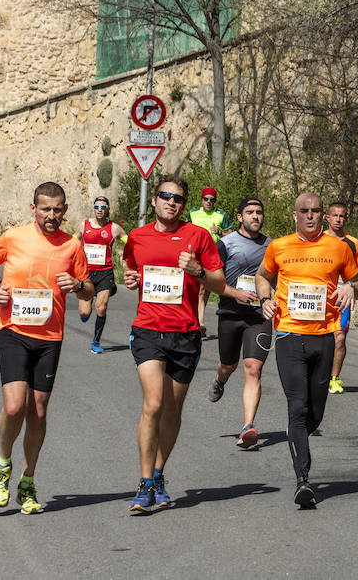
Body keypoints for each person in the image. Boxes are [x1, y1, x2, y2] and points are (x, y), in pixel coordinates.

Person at [0, 182, 93, 514]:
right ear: (34, 209)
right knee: (15, 407)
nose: (52, 215)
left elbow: (87, 291)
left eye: (58, 209)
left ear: (65, 210)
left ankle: (27, 481)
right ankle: (3, 466)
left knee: (38, 411)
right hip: (11, 328)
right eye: (45, 209)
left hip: (49, 336)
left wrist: (76, 284)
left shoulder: (72, 246)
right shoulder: (14, 237)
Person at [123, 176, 226, 513]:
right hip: (148, 330)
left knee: (172, 410)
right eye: (165, 196)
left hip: (185, 333)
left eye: (178, 199)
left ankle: (158, 472)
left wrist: (197, 270)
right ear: (154, 200)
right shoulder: (136, 238)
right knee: (153, 404)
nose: (171, 202)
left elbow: (219, 282)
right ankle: (144, 483)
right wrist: (130, 279)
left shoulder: (198, 236)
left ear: (185, 205)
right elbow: (130, 271)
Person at [255, 192, 358, 508]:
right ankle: (303, 481)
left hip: (324, 337)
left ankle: (299, 432)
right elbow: (263, 276)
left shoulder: (339, 247)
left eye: (317, 211)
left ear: (324, 216)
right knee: (298, 406)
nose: (311, 216)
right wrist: (265, 299)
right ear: (295, 215)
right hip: (289, 335)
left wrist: (348, 286)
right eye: (305, 211)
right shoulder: (279, 247)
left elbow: (356, 281)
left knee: (314, 412)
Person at [206, 197, 273, 449]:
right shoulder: (225, 243)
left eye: (259, 212)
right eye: (250, 212)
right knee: (228, 365)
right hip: (230, 314)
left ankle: (248, 426)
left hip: (259, 315)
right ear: (239, 217)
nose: (255, 216)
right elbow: (213, 281)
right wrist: (236, 294)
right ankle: (220, 380)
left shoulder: (272, 246)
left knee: (253, 369)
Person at [324, 202, 358, 394]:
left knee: (339, 337)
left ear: (346, 218)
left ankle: (334, 378)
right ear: (327, 217)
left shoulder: (352, 243)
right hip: (321, 295)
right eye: (334, 216)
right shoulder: (317, 239)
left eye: (342, 216)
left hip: (343, 295)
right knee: (317, 338)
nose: (338, 220)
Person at [74, 196, 126, 353]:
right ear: (93, 208)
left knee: (101, 308)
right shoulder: (84, 225)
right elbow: (72, 242)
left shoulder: (114, 228)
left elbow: (130, 242)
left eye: (103, 207)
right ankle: (85, 312)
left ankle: (96, 342)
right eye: (97, 206)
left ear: (108, 209)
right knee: (85, 312)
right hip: (85, 273)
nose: (99, 209)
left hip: (105, 272)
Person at [188, 187, 232, 332]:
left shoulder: (221, 215)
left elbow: (230, 234)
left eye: (212, 200)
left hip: (211, 255)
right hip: (194, 253)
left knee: (203, 290)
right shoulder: (193, 213)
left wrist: (219, 232)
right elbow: (185, 229)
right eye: (206, 199)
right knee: (191, 288)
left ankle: (200, 321)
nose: (209, 202)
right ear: (201, 199)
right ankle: (192, 318)